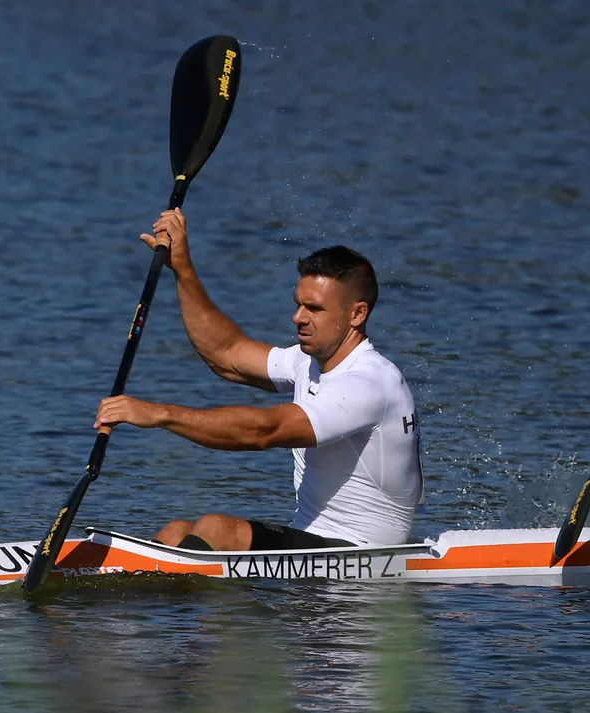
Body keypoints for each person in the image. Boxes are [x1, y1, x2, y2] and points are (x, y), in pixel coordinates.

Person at [93, 209, 424, 551]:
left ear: (357, 313)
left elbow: (264, 431)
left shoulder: (368, 383)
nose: (298, 317)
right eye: (298, 305)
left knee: (216, 529)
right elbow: (226, 353)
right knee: (177, 531)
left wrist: (161, 415)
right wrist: (183, 270)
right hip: (315, 537)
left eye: (314, 308)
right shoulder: (307, 361)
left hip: (363, 549)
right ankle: (139, 594)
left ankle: (148, 596)